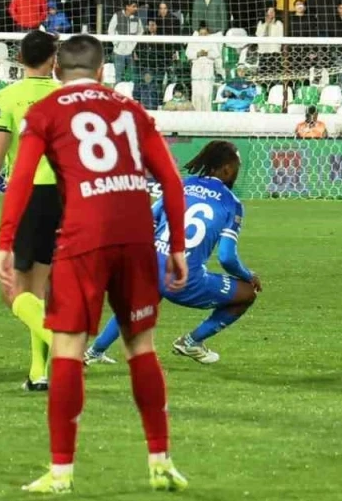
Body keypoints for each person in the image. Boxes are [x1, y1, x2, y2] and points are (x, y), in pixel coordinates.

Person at [0, 34, 191, 494]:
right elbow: (171, 181)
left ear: (57, 71)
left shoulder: (45, 111)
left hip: (83, 238)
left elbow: (21, 179)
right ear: (102, 71)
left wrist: (5, 241)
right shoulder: (131, 109)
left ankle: (61, 473)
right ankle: (160, 462)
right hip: (136, 237)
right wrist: (178, 247)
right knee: (141, 347)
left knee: (67, 349)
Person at [85, 141, 260, 366]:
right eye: (237, 167)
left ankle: (93, 352)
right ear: (226, 169)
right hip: (184, 281)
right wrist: (248, 275)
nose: (237, 172)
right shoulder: (231, 203)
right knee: (247, 293)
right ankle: (192, 342)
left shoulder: (181, 185)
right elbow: (227, 257)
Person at [0, 30, 61, 391]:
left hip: (31, 195)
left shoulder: (7, 97)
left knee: (15, 291)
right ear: (54, 59)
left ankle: (62, 344)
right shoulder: (68, 97)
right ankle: (38, 374)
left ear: (20, 59)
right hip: (69, 197)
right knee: (42, 289)